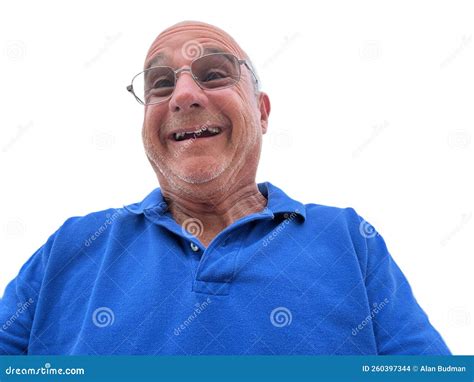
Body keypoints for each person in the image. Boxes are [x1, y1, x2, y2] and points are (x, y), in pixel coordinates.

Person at [0, 21, 450, 355]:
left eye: (214, 74)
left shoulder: (351, 240)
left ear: (263, 112)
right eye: (160, 84)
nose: (183, 95)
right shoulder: (70, 247)